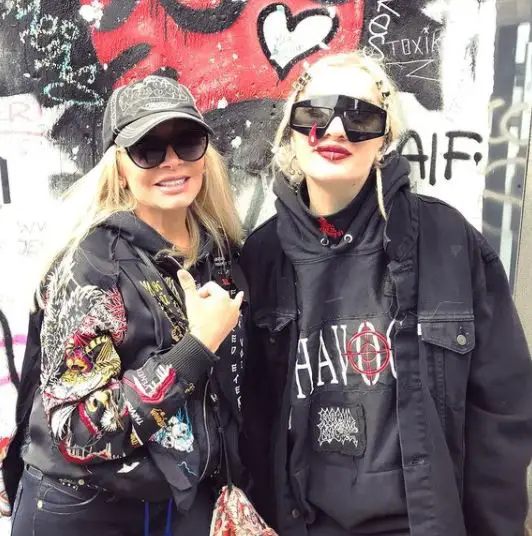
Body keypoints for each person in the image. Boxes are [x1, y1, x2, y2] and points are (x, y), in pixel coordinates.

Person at [240, 51, 532, 536]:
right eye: (315, 113)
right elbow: (250, 422)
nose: (335, 131)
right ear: (292, 128)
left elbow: (500, 409)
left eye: (360, 117)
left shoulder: (447, 240)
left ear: (384, 138)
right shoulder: (262, 257)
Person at [2, 75, 248, 536]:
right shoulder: (93, 266)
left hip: (180, 505)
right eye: (148, 149)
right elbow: (80, 429)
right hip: (84, 509)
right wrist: (195, 348)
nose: (171, 161)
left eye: (187, 142)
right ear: (119, 166)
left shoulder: (221, 255)